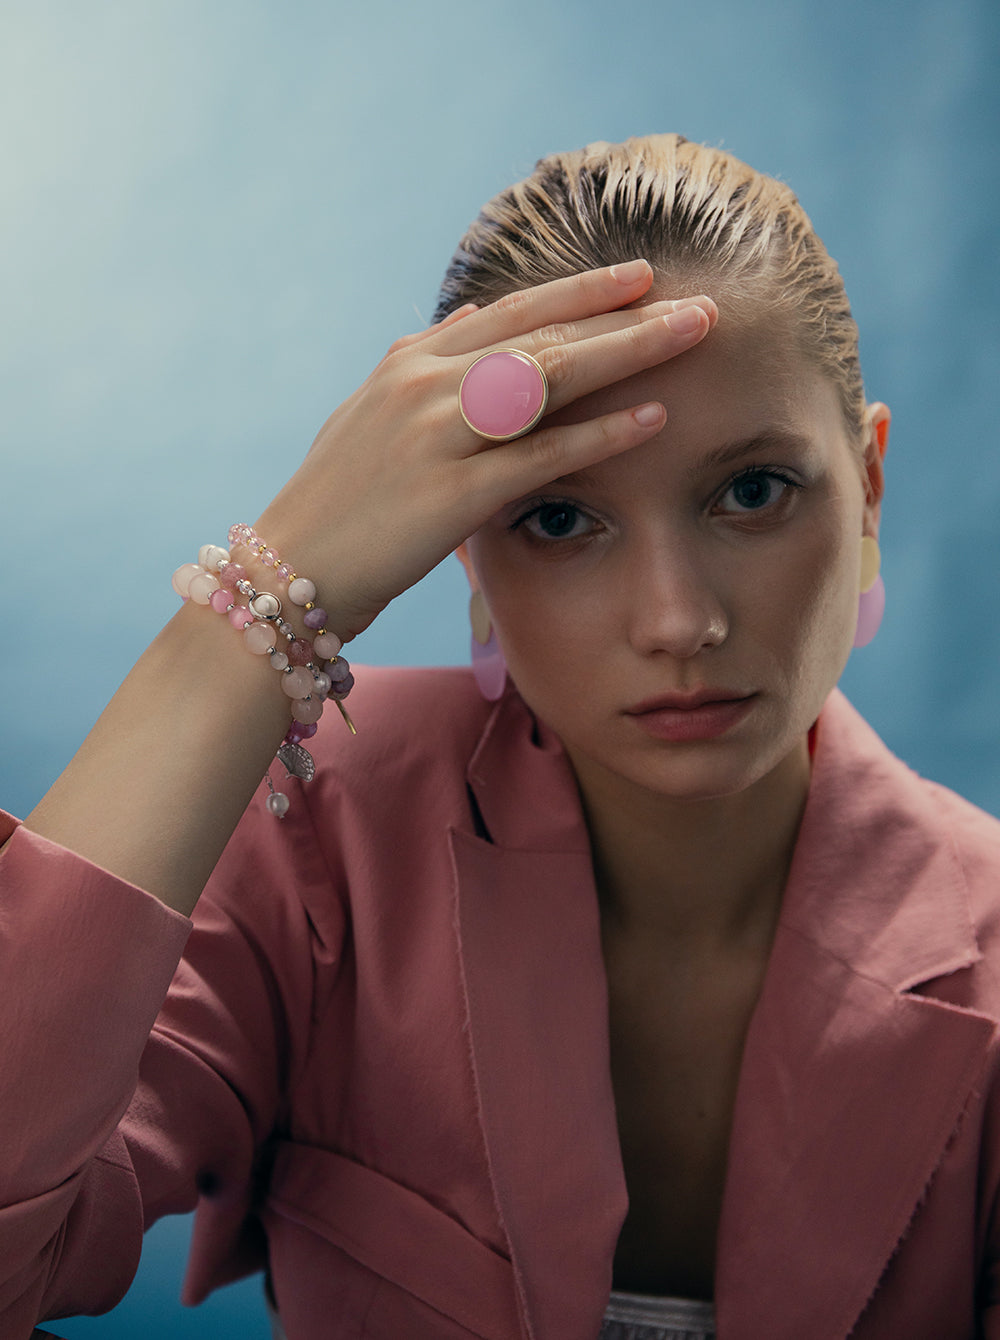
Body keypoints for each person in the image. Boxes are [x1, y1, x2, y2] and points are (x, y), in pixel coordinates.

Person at [1, 132, 999, 1340]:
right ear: (465, 542)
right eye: (561, 515)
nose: (679, 619)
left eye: (751, 492)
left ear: (870, 486)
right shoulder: (320, 840)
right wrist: (260, 604)